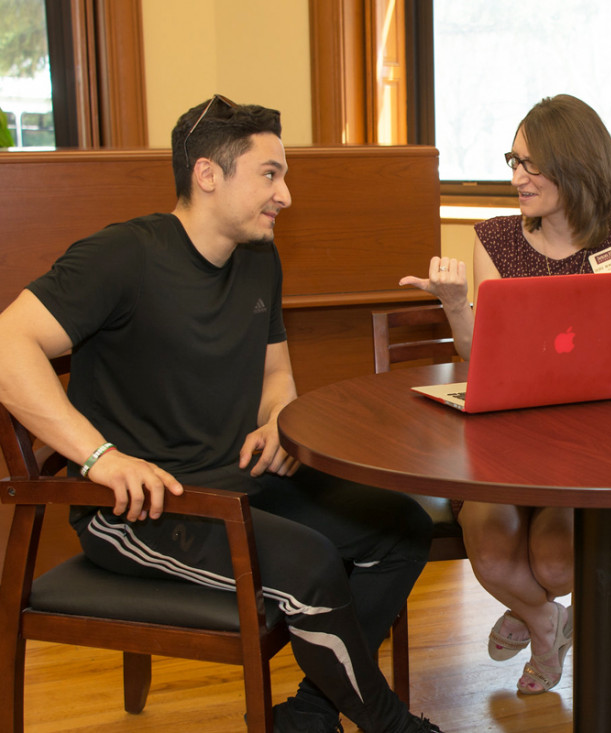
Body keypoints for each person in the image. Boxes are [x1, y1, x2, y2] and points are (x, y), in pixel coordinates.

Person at [0, 95, 444, 733]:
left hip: (236, 481)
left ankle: (310, 715)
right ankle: (392, 727)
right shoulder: (122, 255)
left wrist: (277, 419)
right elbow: (10, 343)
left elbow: (275, 374)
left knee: (402, 529)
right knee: (311, 564)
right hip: (142, 508)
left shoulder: (260, 258)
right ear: (208, 174)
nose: (285, 195)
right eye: (270, 174)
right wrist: (102, 459)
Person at [399, 94, 611, 694]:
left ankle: (533, 609)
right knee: (496, 556)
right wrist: (454, 306)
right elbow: (481, 362)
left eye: (532, 164)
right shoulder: (496, 240)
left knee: (553, 562)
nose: (517, 178)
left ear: (576, 164)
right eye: (513, 161)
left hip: (589, 452)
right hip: (499, 445)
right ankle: (548, 625)